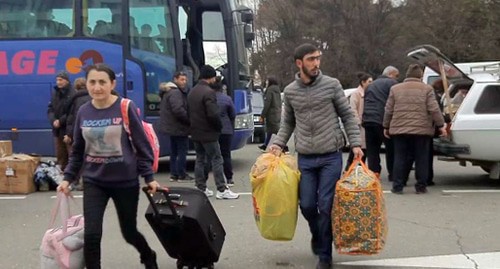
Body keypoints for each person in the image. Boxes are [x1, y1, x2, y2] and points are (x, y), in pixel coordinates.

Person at [57, 64, 159, 269]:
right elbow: (77, 151)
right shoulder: (83, 111)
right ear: (86, 84)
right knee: (92, 235)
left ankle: (148, 255)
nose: (97, 87)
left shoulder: (125, 107)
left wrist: (149, 177)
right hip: (95, 181)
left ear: (112, 84)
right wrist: (67, 178)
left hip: (125, 182)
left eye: (102, 82)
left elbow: (142, 146)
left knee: (129, 233)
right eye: (92, 82)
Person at [269, 43, 363, 269]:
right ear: (299, 63)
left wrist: (356, 144)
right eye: (311, 59)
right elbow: (288, 122)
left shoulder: (332, 85)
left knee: (326, 204)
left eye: (318, 58)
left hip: (331, 155)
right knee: (308, 206)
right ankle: (318, 234)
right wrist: (278, 143)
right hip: (307, 158)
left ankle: (325, 255)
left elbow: (348, 116)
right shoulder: (290, 91)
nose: (316, 63)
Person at [383, 64, 446, 194]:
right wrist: (441, 125)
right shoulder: (427, 89)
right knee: (421, 158)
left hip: (399, 129)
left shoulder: (395, 89)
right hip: (421, 130)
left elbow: (389, 110)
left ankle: (398, 185)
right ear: (420, 76)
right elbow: (433, 109)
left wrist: (386, 126)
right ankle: (421, 186)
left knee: (400, 157)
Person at [187, 65, 239, 200]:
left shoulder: (192, 92)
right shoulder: (208, 92)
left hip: (195, 131)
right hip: (209, 131)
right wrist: (218, 127)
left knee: (200, 159)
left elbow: (188, 112)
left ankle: (201, 187)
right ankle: (221, 188)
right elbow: (213, 114)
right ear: (211, 77)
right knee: (217, 158)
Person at [362, 66, 399, 181]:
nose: (397, 78)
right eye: (396, 76)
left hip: (368, 119)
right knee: (391, 148)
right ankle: (392, 173)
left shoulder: (370, 85)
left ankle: (374, 172)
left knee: (372, 149)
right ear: (391, 74)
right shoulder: (392, 84)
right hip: (382, 119)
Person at [159, 72, 194, 183]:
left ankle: (174, 174)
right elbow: (178, 110)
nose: (184, 82)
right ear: (175, 79)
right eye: (182, 79)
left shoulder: (168, 92)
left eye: (185, 80)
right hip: (179, 127)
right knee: (182, 151)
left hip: (171, 127)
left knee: (174, 152)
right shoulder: (176, 93)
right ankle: (181, 174)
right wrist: (189, 121)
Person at [63, 77, 91, 190]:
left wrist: (69, 134)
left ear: (76, 88)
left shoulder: (76, 100)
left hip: (80, 131)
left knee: (77, 156)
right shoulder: (91, 98)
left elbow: (73, 119)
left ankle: (79, 181)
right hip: (92, 132)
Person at [344, 72, 373, 170]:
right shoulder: (356, 94)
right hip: (359, 126)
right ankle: (348, 169)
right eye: (369, 81)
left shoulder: (369, 93)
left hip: (365, 125)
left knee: (363, 150)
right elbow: (352, 109)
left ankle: (360, 171)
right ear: (363, 82)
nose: (371, 83)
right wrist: (358, 123)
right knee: (356, 149)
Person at [47, 71, 75, 171]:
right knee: (60, 155)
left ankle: (73, 178)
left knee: (71, 155)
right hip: (57, 131)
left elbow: (72, 112)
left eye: (60, 80)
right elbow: (50, 109)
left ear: (66, 81)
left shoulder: (72, 93)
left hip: (68, 130)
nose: (58, 82)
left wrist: (60, 121)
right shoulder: (55, 93)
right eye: (57, 80)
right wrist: (53, 120)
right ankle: (62, 177)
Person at [213, 76, 236, 186]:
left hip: (213, 130)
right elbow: (233, 114)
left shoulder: (209, 98)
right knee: (226, 155)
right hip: (226, 130)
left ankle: (215, 179)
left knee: (213, 156)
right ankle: (229, 178)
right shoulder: (227, 99)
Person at [258, 76, 282, 151]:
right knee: (270, 131)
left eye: (267, 81)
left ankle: (284, 147)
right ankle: (265, 145)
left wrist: (262, 115)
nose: (266, 83)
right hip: (277, 113)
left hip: (271, 114)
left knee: (275, 131)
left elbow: (267, 103)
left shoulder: (270, 90)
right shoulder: (277, 90)